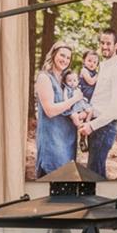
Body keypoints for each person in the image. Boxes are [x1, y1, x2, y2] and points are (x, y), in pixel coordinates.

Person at [80, 27, 117, 179]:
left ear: (116, 46)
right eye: (102, 43)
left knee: (93, 172)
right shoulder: (103, 66)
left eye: (108, 43)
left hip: (104, 127)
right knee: (96, 171)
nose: (104, 46)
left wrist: (91, 125)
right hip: (96, 124)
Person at [32, 42, 82, 177]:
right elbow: (50, 110)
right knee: (51, 183)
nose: (65, 60)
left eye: (68, 58)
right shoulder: (44, 77)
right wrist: (74, 99)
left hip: (68, 140)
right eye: (62, 55)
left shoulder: (67, 80)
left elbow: (72, 109)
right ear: (54, 54)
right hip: (52, 141)